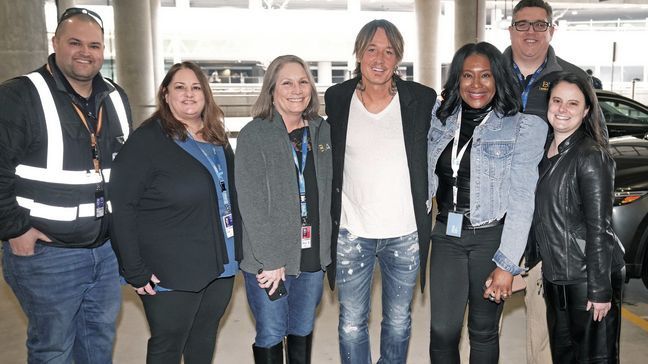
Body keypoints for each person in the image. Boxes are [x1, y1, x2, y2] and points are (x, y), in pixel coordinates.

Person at [0, 8, 132, 363]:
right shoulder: (19, 96)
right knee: (54, 348)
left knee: (98, 343)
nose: (85, 52)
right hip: (47, 254)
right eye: (74, 42)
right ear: (55, 43)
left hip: (105, 253)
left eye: (94, 45)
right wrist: (14, 229)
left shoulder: (116, 97)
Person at [110, 61, 239, 363]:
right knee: (167, 348)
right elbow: (122, 208)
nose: (189, 94)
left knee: (203, 342)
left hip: (221, 266)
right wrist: (134, 268)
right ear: (165, 94)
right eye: (180, 87)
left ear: (206, 95)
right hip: (171, 271)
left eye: (196, 88)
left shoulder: (216, 137)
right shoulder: (147, 141)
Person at [427, 42, 547, 363]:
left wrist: (507, 264)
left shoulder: (522, 126)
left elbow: (523, 199)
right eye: (467, 75)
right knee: (442, 331)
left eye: (485, 76)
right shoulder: (439, 121)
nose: (476, 84)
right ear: (457, 80)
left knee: (483, 331)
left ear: (498, 80)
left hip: (491, 239)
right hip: (446, 235)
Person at [325, 19, 436, 363]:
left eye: (389, 51)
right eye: (371, 48)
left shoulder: (421, 98)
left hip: (404, 233)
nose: (379, 58)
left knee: (399, 322)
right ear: (358, 54)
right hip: (351, 232)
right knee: (352, 324)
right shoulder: (337, 98)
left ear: (398, 58)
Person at [503, 2, 607, 362]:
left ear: (552, 29)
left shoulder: (572, 77)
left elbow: (596, 151)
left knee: (547, 337)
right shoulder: (487, 74)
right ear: (510, 28)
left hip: (548, 238)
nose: (530, 31)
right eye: (522, 24)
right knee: (483, 330)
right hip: (489, 225)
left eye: (539, 24)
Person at [235, 55, 332, 363]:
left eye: (303, 82)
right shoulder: (255, 134)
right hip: (270, 258)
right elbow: (250, 202)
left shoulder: (321, 132)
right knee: (272, 332)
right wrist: (271, 257)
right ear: (272, 90)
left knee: (302, 328)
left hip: (311, 254)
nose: (296, 89)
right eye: (287, 82)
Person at [533, 72, 625, 363]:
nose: (563, 109)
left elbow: (600, 227)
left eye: (573, 103)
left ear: (586, 111)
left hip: (587, 278)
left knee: (593, 358)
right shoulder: (546, 150)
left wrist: (599, 290)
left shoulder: (590, 155)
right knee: (564, 356)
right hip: (556, 275)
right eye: (557, 100)